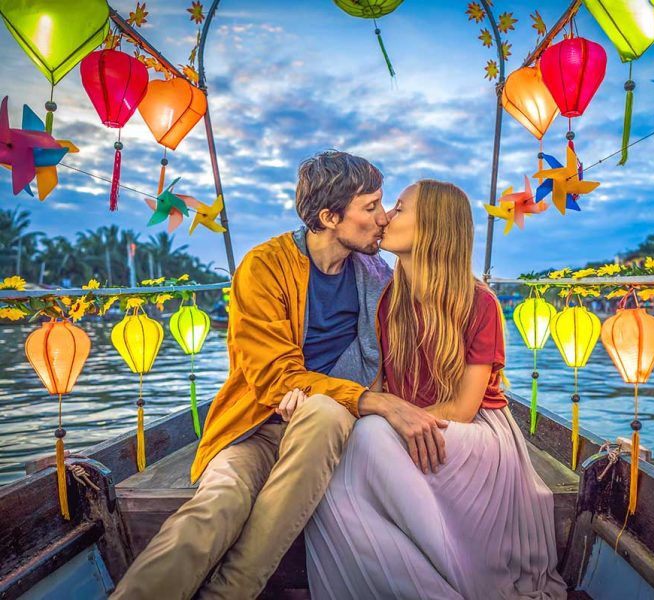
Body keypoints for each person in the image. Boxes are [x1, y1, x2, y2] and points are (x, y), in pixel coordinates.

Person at [111, 151, 448, 599]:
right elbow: (274, 377)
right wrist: (377, 402)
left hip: (331, 430)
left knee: (324, 414)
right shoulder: (264, 267)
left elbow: (401, 351)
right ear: (329, 217)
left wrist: (333, 398)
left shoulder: (377, 276)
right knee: (219, 502)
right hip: (256, 427)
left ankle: (230, 593)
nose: (384, 218)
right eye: (371, 207)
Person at [304, 179, 568, 599]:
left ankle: (465, 577)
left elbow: (464, 408)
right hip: (410, 429)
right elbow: (381, 384)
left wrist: (396, 419)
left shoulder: (479, 304)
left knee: (371, 434)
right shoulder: (390, 300)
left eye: (400, 209)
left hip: (474, 435)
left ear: (432, 227)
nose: (386, 216)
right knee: (330, 480)